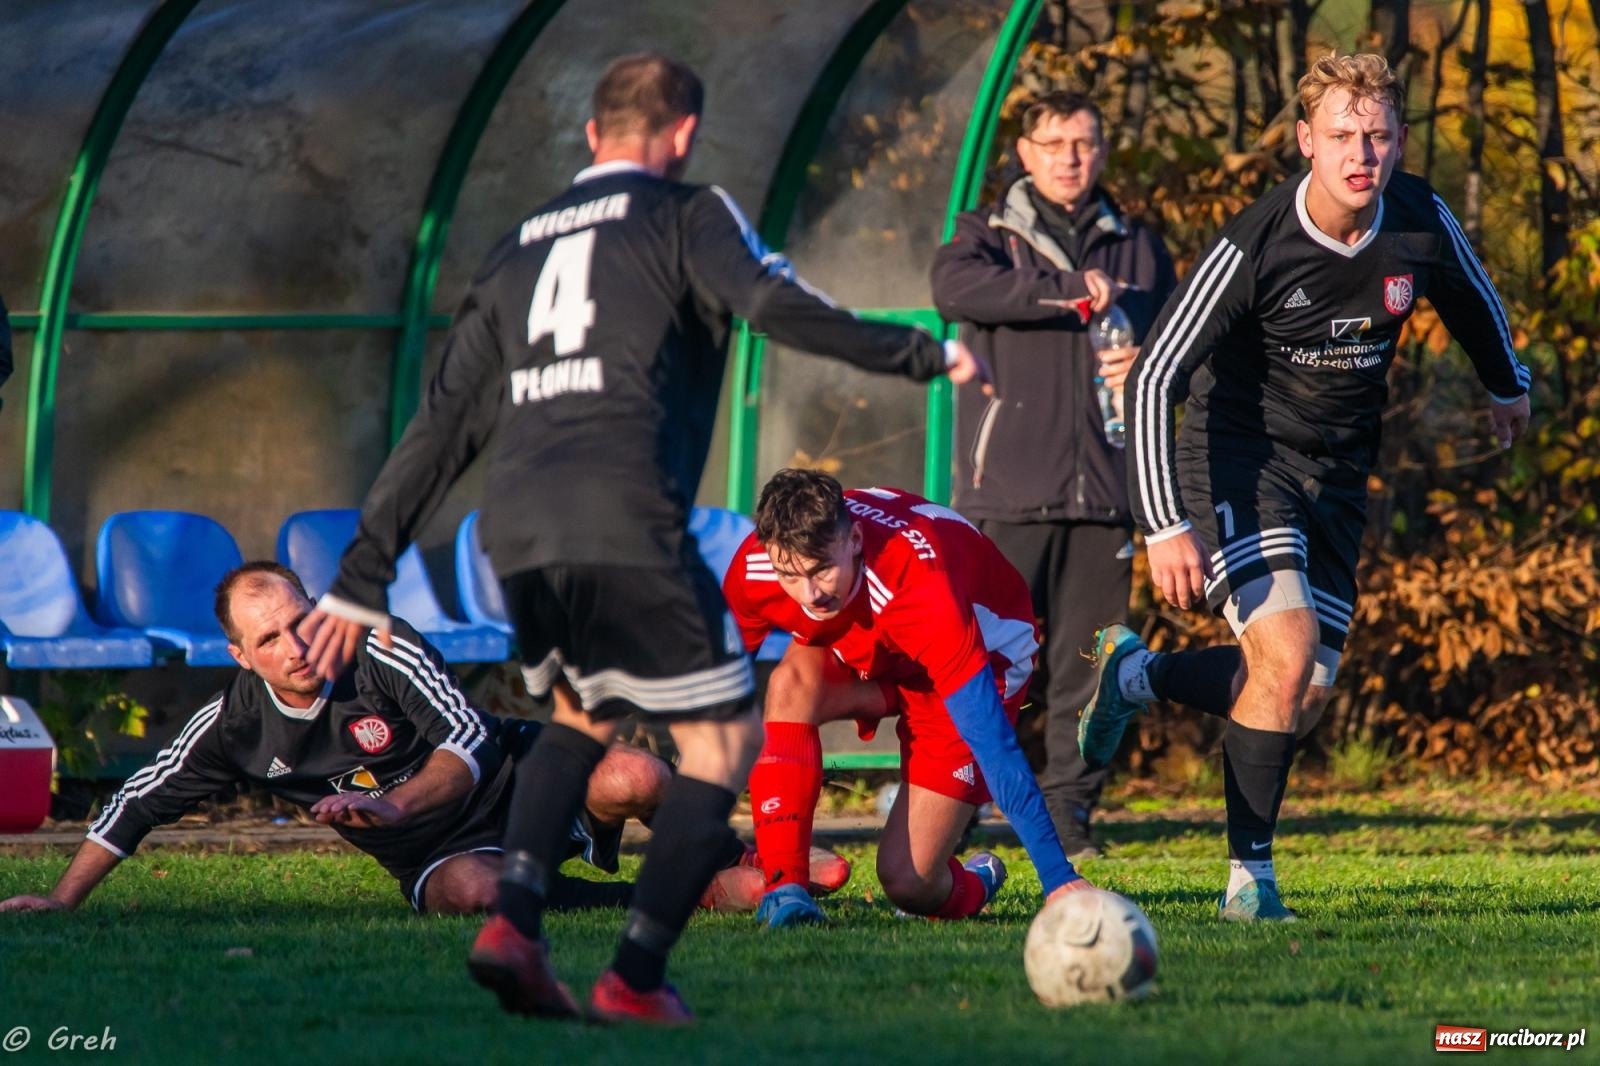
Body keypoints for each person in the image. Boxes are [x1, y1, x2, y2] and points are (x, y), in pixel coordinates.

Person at [294, 52, 986, 1025]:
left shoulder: (518, 245)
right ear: (683, 135)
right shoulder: (688, 213)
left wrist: (362, 574)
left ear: (591, 135)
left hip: (521, 526)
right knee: (722, 737)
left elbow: (444, 422)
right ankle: (636, 973)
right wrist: (919, 352)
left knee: (580, 718)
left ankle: (514, 926)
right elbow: (774, 305)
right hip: (624, 513)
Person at [1082, 53, 1531, 921]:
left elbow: (1472, 296)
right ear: (1304, 143)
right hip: (1239, 459)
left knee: (1301, 699)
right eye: (1340, 136)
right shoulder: (1257, 242)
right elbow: (1152, 378)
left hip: (1334, 476)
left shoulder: (1417, 216)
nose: (1361, 152)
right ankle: (1250, 882)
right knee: (1283, 659)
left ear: (1398, 140)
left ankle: (1137, 678)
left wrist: (1505, 382)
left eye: (1377, 134)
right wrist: (1161, 525)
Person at [0, 562, 667, 917]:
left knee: (637, 776)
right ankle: (657, 899)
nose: (296, 647)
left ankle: (742, 863)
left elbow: (469, 735)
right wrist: (62, 899)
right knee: (476, 896)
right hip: (437, 850)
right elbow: (138, 799)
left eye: (300, 621)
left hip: (517, 776)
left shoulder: (378, 643)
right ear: (240, 656)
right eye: (268, 639)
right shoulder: (235, 725)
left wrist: (397, 801)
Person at [931, 91, 1176, 858]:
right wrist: (1066, 292)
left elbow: (1180, 332)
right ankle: (954, 811)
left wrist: (1146, 357)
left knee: (1090, 670)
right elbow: (953, 291)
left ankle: (1070, 815)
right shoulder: (987, 234)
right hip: (1005, 491)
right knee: (986, 664)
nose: (1072, 155)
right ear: (1025, 152)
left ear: (1102, 151)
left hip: (1107, 492)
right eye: (1056, 141)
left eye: (1086, 141)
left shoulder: (1136, 242)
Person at [724, 468, 1091, 927]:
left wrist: (1058, 879)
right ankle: (785, 889)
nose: (809, 593)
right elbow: (714, 695)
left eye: (821, 570)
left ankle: (976, 880)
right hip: (880, 646)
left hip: (979, 654)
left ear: (855, 539)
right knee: (789, 685)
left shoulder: (921, 591)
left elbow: (992, 743)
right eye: (790, 574)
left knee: (908, 883)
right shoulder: (756, 567)